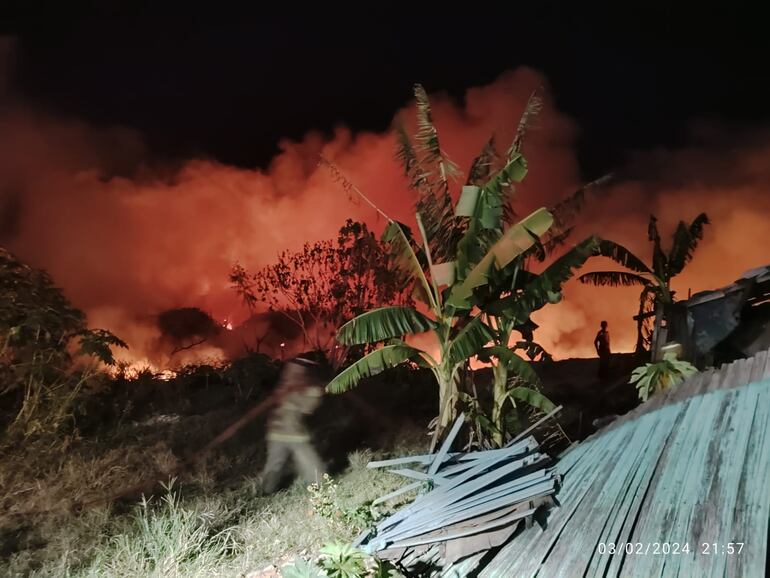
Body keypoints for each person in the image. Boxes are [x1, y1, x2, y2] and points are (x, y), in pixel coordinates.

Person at [260, 353, 327, 493]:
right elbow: (275, 405)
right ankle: (265, 492)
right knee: (274, 464)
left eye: (296, 370)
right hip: (277, 432)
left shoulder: (312, 389)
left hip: (295, 434)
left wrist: (294, 393)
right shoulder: (284, 385)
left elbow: (308, 407)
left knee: (309, 463)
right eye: (291, 369)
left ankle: (321, 488)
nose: (291, 372)